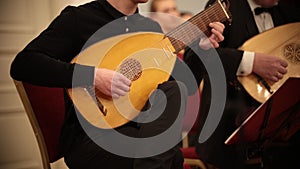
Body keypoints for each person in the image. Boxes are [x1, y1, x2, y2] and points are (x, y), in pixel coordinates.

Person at [10, 0, 225, 169]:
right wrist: (93, 76)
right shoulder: (79, 19)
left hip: (141, 131)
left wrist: (201, 51)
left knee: (175, 92)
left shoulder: (150, 28)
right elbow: (24, 64)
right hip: (91, 138)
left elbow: (175, 91)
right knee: (170, 159)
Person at [184, 0, 300, 169]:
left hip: (282, 132)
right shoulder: (224, 4)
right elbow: (197, 56)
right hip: (229, 128)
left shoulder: (289, 8)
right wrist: (250, 62)